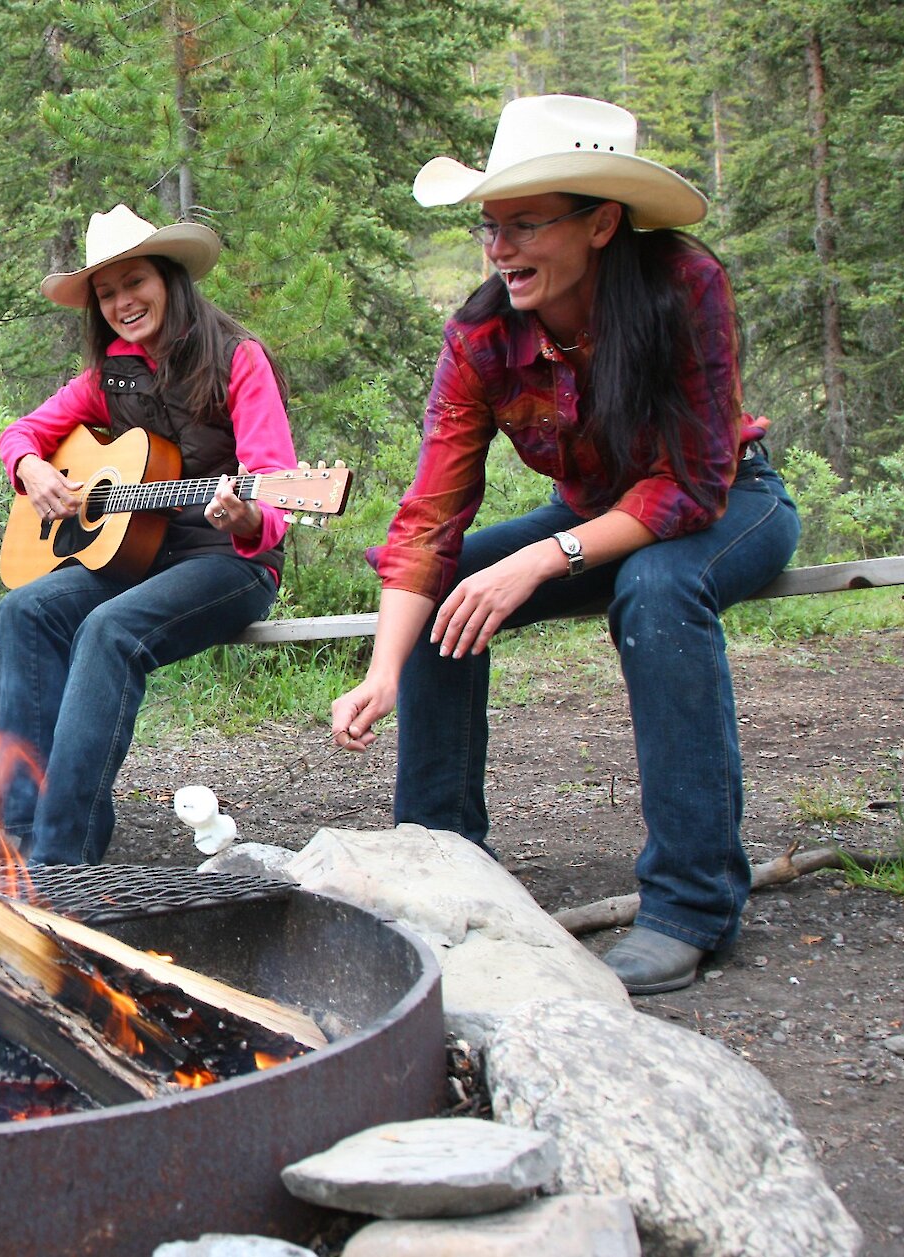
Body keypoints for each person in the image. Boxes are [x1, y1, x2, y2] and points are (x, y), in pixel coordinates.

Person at [328, 95, 801, 995]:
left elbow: (694, 484)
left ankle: (690, 907)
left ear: (602, 224)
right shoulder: (481, 337)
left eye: (524, 226)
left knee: (658, 587)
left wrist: (547, 557)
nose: (499, 249)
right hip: (594, 517)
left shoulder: (682, 287)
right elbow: (431, 514)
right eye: (489, 228)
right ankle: (441, 867)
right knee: (454, 584)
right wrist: (385, 667)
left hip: (730, 499)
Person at [0, 205, 300, 865]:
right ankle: (25, 827)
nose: (122, 302)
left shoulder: (236, 357)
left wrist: (246, 516)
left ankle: (58, 859)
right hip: (143, 554)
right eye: (106, 293)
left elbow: (274, 485)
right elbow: (20, 432)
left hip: (230, 561)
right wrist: (30, 466)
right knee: (22, 610)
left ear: (167, 277)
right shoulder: (111, 374)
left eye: (134, 283)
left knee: (109, 629)